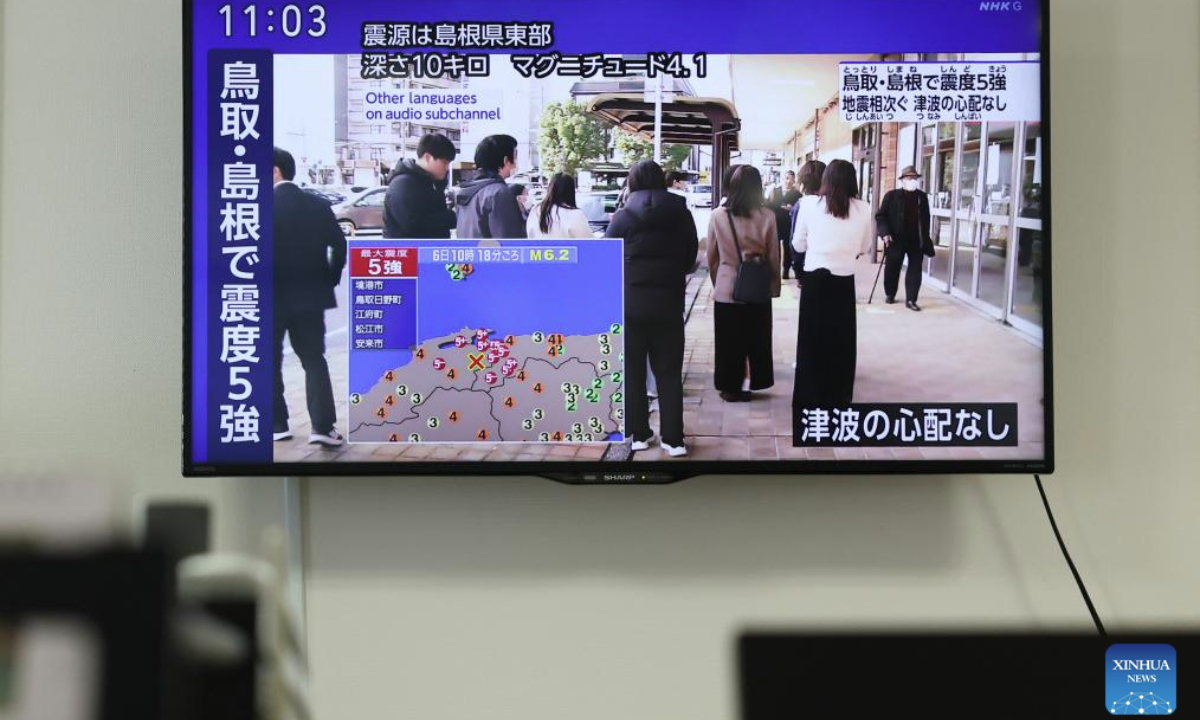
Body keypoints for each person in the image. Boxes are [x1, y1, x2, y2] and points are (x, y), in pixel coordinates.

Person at [605, 160, 698, 457]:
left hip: (630, 304)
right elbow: (691, 256)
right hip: (669, 303)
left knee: (632, 371)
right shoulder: (681, 213)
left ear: (632, 182)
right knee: (668, 373)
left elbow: (609, 256)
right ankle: (674, 440)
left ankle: (638, 435)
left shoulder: (623, 216)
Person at [271, 147, 348, 446]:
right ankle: (322, 427)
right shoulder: (317, 204)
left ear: (275, 171)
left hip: (269, 299)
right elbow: (339, 247)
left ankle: (277, 425)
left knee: (268, 361)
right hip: (310, 298)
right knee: (314, 359)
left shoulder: (254, 207)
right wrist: (327, 280)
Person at [791, 159, 875, 410]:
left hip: (815, 277)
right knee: (842, 340)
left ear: (826, 179)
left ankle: (809, 396)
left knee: (811, 339)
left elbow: (798, 244)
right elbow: (865, 247)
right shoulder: (863, 207)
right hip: (844, 278)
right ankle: (839, 396)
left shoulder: (808, 204)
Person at [706, 165, 782, 402]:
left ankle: (730, 387)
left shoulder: (718, 215)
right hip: (757, 285)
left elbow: (712, 255)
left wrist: (719, 282)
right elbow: (773, 256)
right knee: (756, 337)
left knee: (728, 341)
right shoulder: (767, 216)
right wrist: (773, 287)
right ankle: (753, 381)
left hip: (728, 285)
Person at [875, 165, 935, 311]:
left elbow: (926, 219)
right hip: (896, 239)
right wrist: (885, 233)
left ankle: (911, 300)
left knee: (915, 270)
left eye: (914, 178)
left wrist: (926, 238)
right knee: (892, 269)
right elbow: (881, 216)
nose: (912, 181)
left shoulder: (922, 197)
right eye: (909, 178)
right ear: (902, 180)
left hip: (916, 240)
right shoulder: (891, 196)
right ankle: (890, 293)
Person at [382, 133, 458, 239]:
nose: (447, 168)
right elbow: (414, 224)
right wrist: (453, 217)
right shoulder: (402, 184)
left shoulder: (430, 181)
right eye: (445, 163)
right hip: (410, 253)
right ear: (427, 157)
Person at [455, 134, 527, 238]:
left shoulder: (465, 191)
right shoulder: (499, 192)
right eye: (515, 157)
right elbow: (509, 240)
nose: (516, 164)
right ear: (506, 160)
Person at [789, 160, 826, 280]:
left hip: (809, 266)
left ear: (803, 183)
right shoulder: (835, 204)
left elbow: (796, 243)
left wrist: (798, 271)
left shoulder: (802, 205)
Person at [526, 173, 592, 239]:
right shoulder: (575, 214)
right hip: (568, 249)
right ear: (571, 191)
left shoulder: (536, 210)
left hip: (538, 248)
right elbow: (587, 242)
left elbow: (530, 235)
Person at [768, 170, 802, 279]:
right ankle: (775, 271)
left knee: (788, 247)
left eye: (791, 179)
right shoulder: (775, 191)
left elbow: (799, 209)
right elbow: (769, 205)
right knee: (775, 247)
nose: (788, 181)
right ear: (783, 179)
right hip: (776, 222)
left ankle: (786, 270)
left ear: (794, 181)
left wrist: (791, 209)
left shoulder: (797, 194)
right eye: (786, 178)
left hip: (789, 223)